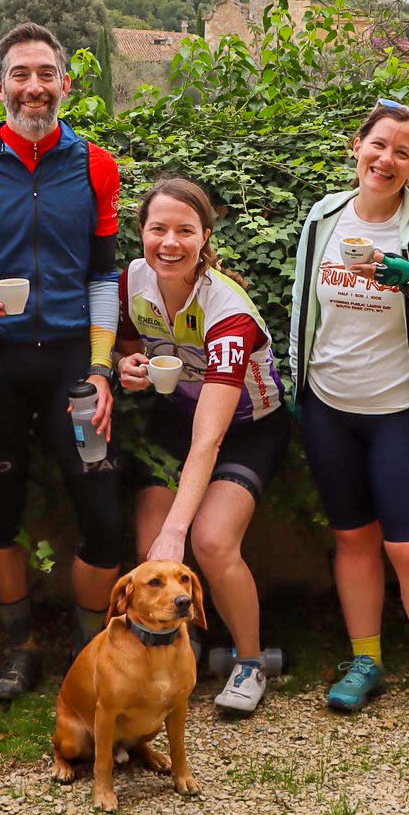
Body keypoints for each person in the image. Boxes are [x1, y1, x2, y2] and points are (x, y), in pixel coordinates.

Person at [0, 24, 124, 701]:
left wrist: (101, 370)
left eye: (47, 74)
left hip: (75, 368)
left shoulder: (97, 166)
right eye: (20, 75)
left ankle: (92, 646)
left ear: (67, 85)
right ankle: (20, 647)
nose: (34, 87)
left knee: (102, 509)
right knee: (0, 509)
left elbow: (105, 277)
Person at [289, 100, 409, 734]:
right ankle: (365, 660)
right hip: (330, 406)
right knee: (353, 538)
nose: (387, 159)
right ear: (358, 146)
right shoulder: (322, 217)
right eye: (379, 145)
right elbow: (302, 309)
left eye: (403, 152)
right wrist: (299, 388)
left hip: (403, 411)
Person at [118, 178, 289, 717]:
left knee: (210, 541)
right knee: (151, 540)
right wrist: (131, 367)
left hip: (247, 426)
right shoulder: (133, 279)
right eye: (157, 228)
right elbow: (128, 344)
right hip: (177, 414)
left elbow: (210, 437)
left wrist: (179, 531)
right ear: (140, 232)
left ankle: (250, 661)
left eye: (184, 231)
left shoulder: (227, 311)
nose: (169, 242)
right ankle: (178, 650)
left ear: (205, 237)